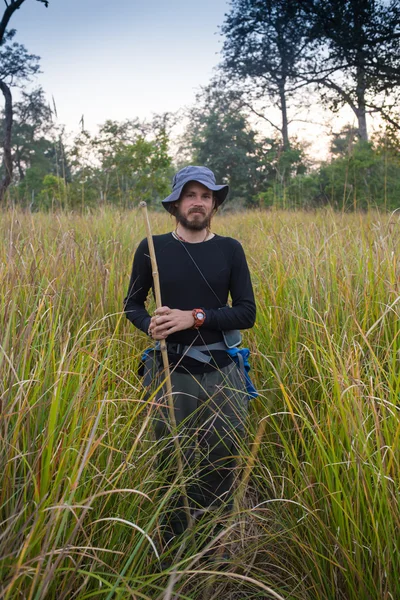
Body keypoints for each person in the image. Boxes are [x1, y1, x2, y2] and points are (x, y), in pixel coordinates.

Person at [124, 165, 256, 547]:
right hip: (170, 371)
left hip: (222, 371)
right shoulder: (152, 247)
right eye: (190, 195)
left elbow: (246, 312)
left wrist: (195, 317)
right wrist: (151, 324)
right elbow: (131, 305)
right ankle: (174, 546)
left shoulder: (230, 249)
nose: (198, 203)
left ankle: (214, 546)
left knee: (222, 458)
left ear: (214, 204)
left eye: (206, 196)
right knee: (171, 461)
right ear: (175, 204)